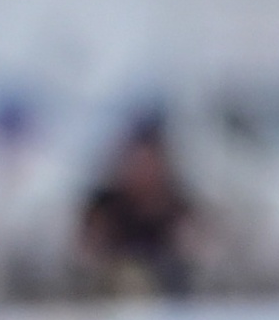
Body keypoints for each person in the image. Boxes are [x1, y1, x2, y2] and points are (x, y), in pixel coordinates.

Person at [75, 105, 202, 296]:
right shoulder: (105, 207)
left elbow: (196, 252)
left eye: (149, 164)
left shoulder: (177, 206)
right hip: (109, 296)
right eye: (137, 163)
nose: (143, 172)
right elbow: (85, 253)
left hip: (170, 298)